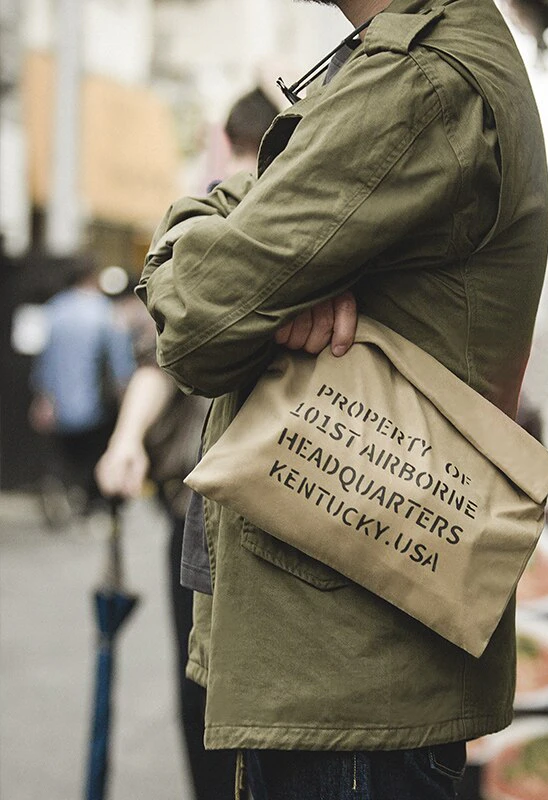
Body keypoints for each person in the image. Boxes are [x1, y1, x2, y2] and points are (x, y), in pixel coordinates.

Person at [136, 0, 548, 795]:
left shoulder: (419, 83)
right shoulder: (415, 64)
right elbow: (228, 268)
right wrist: (243, 248)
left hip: (345, 679)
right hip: (347, 670)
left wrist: (201, 237)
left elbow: (197, 320)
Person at [94, 86, 284, 800]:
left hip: (203, 506)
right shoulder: (297, 219)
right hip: (288, 498)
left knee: (203, 687)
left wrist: (126, 440)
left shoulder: (212, 220)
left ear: (226, 144)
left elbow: (158, 360)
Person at [29, 257, 135, 519]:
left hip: (60, 401)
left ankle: (69, 491)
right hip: (98, 402)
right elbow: (121, 361)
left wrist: (43, 397)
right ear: (92, 278)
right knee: (95, 453)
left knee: (67, 455)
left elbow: (44, 360)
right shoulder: (105, 311)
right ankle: (91, 502)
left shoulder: (54, 310)